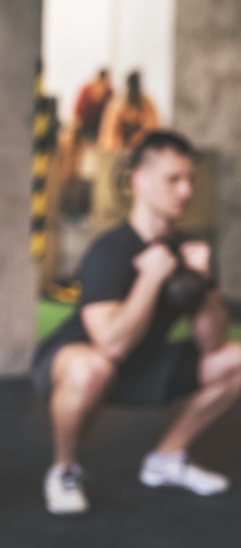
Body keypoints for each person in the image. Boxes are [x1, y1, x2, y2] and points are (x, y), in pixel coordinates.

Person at [33, 130, 241, 516]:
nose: (185, 191)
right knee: (91, 367)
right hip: (83, 359)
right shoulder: (110, 250)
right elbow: (111, 344)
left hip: (145, 360)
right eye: (173, 179)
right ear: (139, 181)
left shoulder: (190, 248)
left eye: (190, 179)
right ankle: (64, 468)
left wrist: (204, 284)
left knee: (235, 359)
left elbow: (212, 343)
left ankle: (166, 459)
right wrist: (150, 278)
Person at [98, 70, 159, 151]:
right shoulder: (116, 106)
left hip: (141, 149)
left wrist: (140, 138)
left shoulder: (148, 105)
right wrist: (120, 146)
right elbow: (109, 137)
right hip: (119, 150)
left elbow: (152, 132)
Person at [73, 68, 113, 144]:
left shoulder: (110, 93)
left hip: (101, 129)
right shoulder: (86, 91)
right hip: (84, 128)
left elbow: (111, 118)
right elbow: (77, 116)